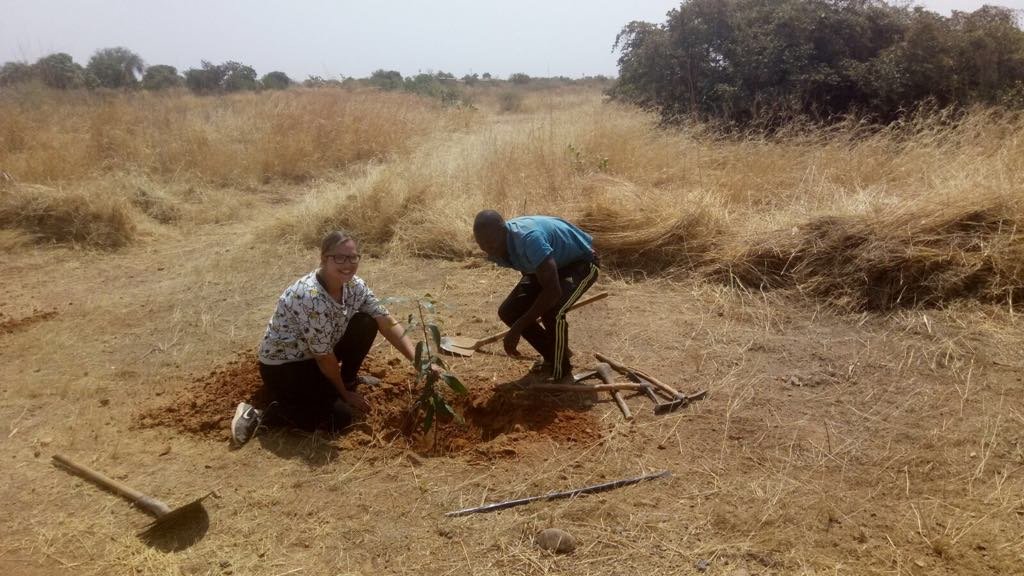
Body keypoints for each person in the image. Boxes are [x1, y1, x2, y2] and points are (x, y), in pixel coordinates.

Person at [231, 230, 417, 446]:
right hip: (286, 367)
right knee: (338, 419)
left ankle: (346, 381)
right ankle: (260, 414)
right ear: (323, 259)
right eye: (339, 257)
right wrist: (344, 395)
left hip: (315, 355)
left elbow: (386, 321)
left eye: (353, 257)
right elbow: (324, 358)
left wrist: (417, 361)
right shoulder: (310, 297)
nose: (347, 264)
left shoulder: (354, 286)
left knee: (366, 322)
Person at [473, 210, 600, 382]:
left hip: (580, 262)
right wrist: (521, 317)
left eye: (491, 244)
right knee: (509, 311)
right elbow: (526, 265)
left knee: (552, 311)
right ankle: (553, 353)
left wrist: (518, 328)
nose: (488, 250)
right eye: (482, 245)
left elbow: (553, 291)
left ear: (503, 232)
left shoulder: (529, 239)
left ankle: (561, 372)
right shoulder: (497, 247)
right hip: (546, 265)